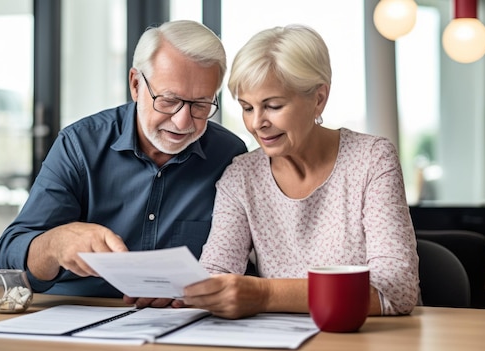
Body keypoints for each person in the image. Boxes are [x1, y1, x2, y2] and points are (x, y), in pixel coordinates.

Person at [0, 20, 247, 306]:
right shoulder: (80, 145)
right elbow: (9, 260)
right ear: (136, 84)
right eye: (168, 100)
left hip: (181, 320)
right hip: (77, 314)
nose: (182, 122)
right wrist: (55, 244)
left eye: (201, 105)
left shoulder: (229, 155)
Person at [179, 24, 419, 318]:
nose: (257, 123)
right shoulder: (241, 176)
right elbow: (215, 274)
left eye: (273, 106)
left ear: (319, 98)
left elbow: (397, 290)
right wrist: (191, 292)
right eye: (247, 108)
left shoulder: (371, 159)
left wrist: (264, 294)